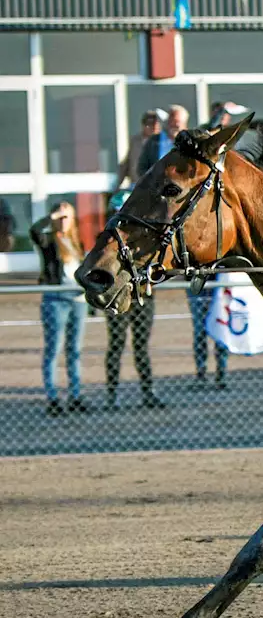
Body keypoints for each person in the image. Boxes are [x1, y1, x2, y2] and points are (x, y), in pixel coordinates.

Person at [102, 191, 164, 410]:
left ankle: (148, 392)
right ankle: (112, 395)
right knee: (116, 345)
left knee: (141, 347)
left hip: (142, 298)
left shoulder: (144, 234)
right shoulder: (107, 237)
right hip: (117, 297)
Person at [30, 203, 89, 416]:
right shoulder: (49, 242)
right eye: (60, 217)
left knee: (75, 350)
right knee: (54, 349)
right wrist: (53, 216)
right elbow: (35, 231)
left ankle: (75, 395)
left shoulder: (76, 243)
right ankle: (53, 397)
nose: (64, 221)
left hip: (78, 300)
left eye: (68, 217)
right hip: (56, 299)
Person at [117, 109, 165, 190]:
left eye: (155, 124)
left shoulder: (163, 142)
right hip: (136, 185)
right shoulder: (136, 141)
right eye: (149, 124)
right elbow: (127, 163)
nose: (153, 127)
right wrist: (118, 185)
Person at [138, 105, 189, 176]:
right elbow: (141, 168)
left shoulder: (189, 143)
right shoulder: (154, 141)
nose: (175, 125)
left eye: (178, 122)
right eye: (172, 121)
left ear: (185, 125)